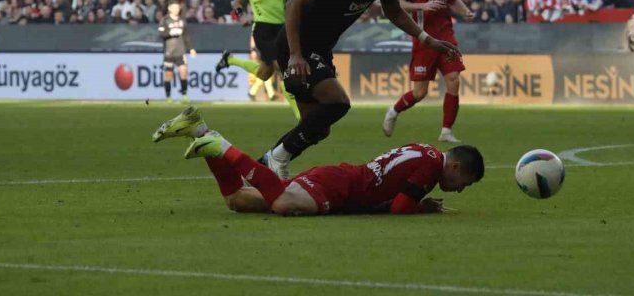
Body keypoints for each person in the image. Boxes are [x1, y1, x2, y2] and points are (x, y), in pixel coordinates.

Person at [264, 0, 459, 179]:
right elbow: (294, 3)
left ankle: (267, 165)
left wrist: (426, 38)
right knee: (338, 103)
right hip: (296, 44)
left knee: (318, 127)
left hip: (319, 48)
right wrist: (296, 55)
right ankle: (277, 158)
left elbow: (393, 11)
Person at [152, 106, 484, 215]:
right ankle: (221, 145)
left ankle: (199, 130)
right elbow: (399, 207)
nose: (459, 190)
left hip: (339, 178)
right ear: (455, 167)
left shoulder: (425, 150)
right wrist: (424, 207)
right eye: (464, 183)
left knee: (236, 200)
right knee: (281, 202)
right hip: (340, 187)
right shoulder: (431, 167)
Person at [383, 0, 474, 143]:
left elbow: (452, 0)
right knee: (420, 92)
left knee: (454, 80)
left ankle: (446, 131)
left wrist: (465, 11)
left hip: (446, 37)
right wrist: (422, 6)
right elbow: (399, 3)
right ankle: (393, 111)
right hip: (424, 40)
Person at [215, 0, 298, 119]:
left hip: (282, 30)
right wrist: (241, 16)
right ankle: (301, 116)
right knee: (283, 70)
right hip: (262, 30)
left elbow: (292, 2)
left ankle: (230, 60)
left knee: (264, 74)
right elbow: (237, 3)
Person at [158, 0, 195, 102]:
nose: (176, 9)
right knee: (168, 75)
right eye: (174, 7)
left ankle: (184, 95)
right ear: (169, 8)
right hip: (169, 52)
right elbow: (161, 34)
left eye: (177, 7)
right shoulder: (164, 20)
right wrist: (171, 33)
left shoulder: (182, 20)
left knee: (183, 72)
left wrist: (191, 48)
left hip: (181, 51)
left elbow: (186, 36)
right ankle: (168, 96)